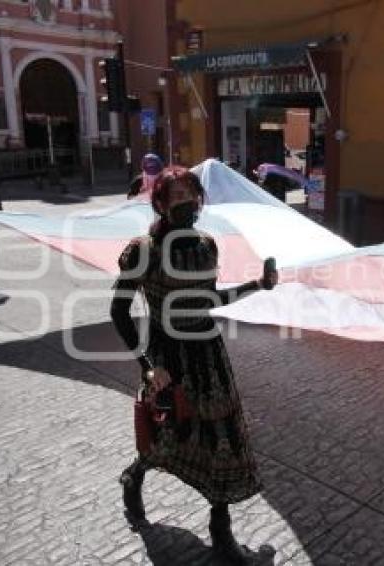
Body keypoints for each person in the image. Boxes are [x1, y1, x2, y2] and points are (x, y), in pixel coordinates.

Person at [110, 166, 278, 564]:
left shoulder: (206, 245)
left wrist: (257, 284)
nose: (187, 201)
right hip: (168, 359)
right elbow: (118, 311)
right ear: (161, 203)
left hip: (210, 355)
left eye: (192, 193)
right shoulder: (142, 251)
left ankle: (221, 533)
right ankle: (134, 476)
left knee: (223, 440)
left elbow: (210, 302)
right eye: (178, 195)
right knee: (168, 438)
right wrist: (147, 366)